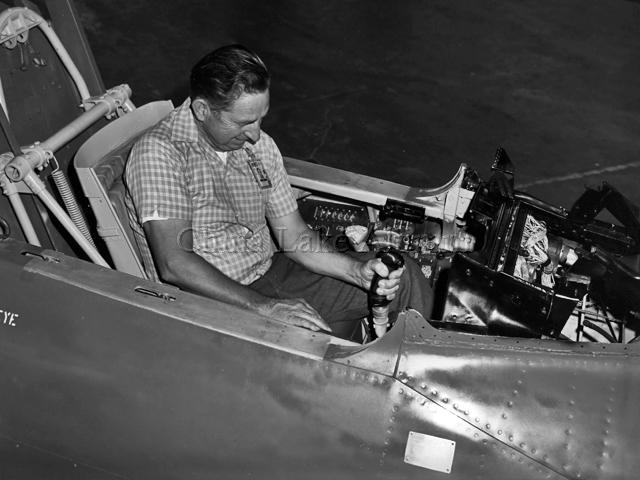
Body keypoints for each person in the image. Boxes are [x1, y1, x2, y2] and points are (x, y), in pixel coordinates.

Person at [125, 44, 432, 340]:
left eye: (261, 117)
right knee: (315, 345)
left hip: (271, 269)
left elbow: (294, 236)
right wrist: (266, 307)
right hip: (209, 300)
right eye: (244, 122)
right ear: (203, 109)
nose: (256, 134)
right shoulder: (161, 153)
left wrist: (358, 271)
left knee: (404, 277)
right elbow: (175, 263)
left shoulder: (258, 146)